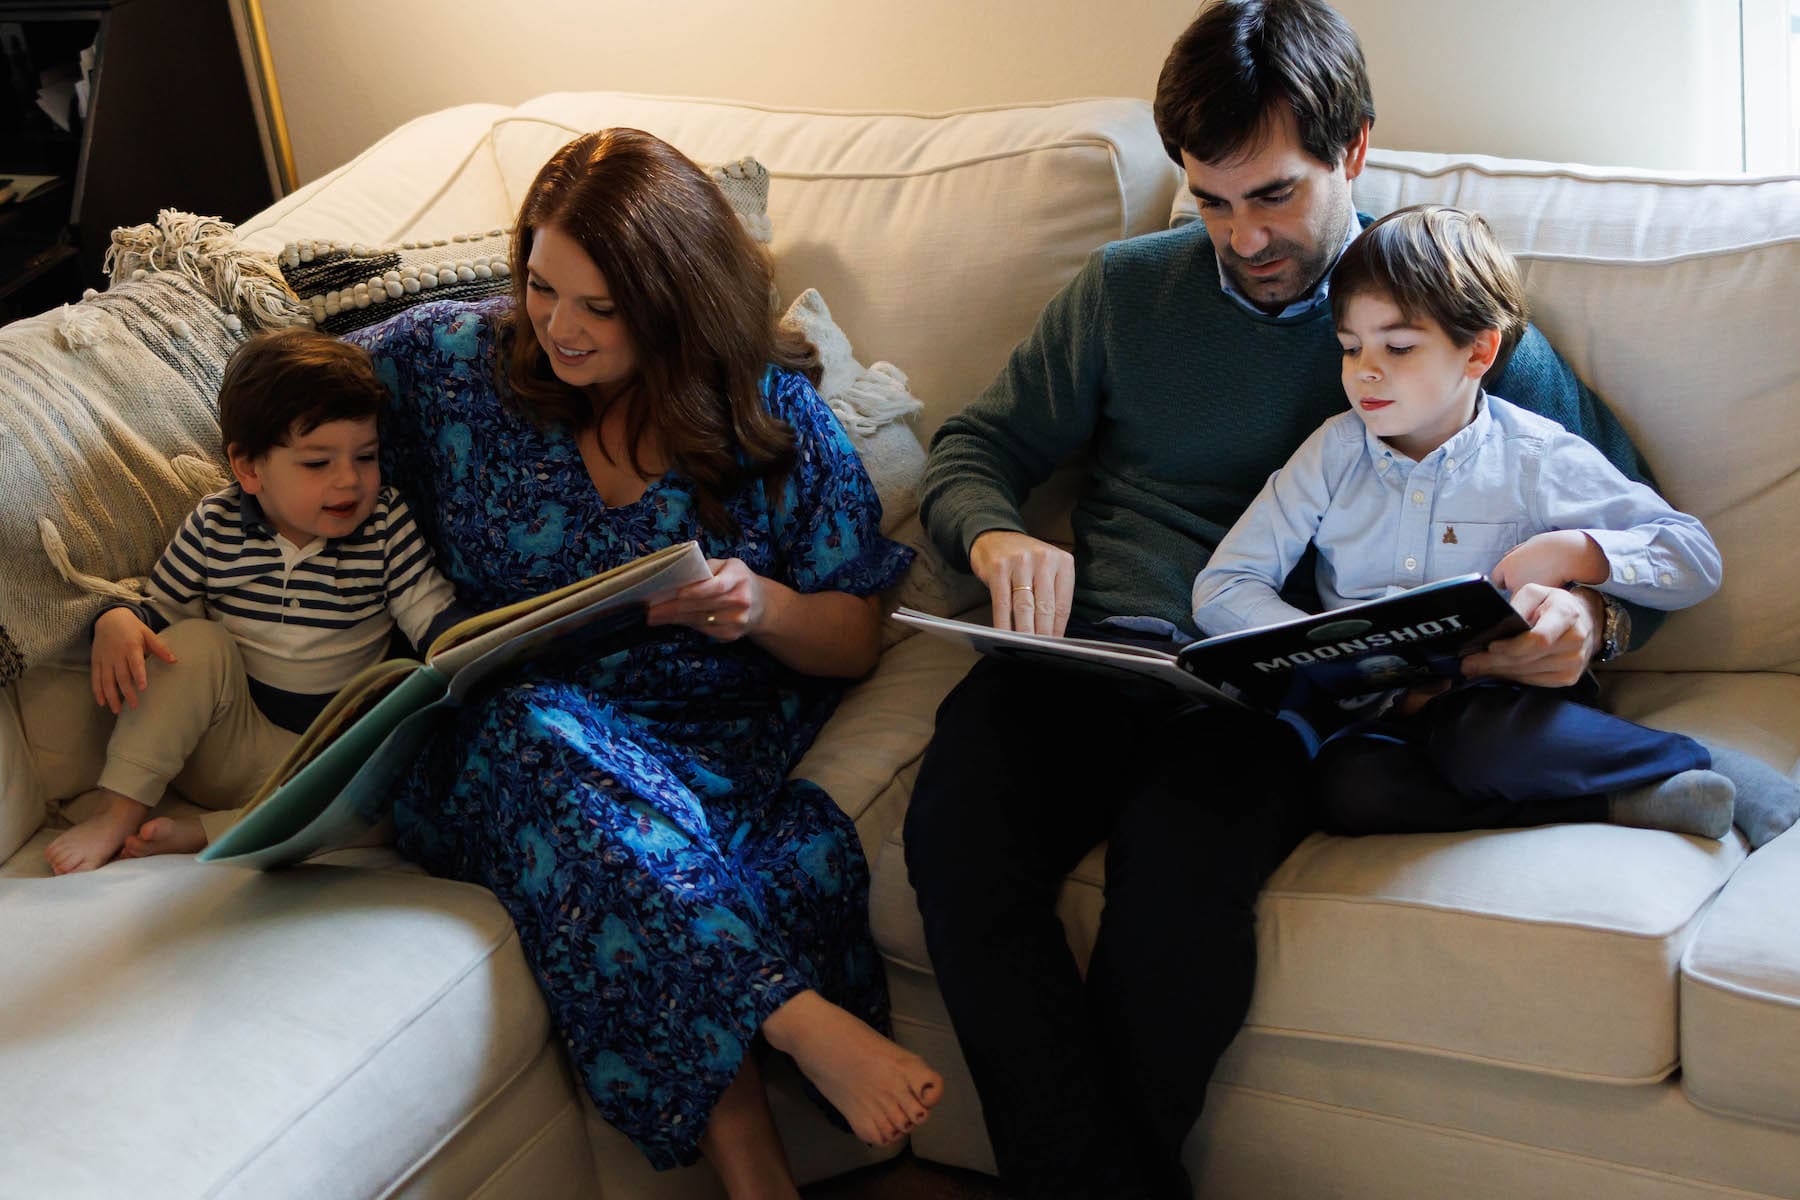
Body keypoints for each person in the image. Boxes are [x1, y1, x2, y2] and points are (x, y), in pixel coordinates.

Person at [906, 2, 1672, 1196]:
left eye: (1273, 195)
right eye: (1210, 200)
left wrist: (1594, 623)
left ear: (1353, 151)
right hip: (1095, 651)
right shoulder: (1123, 294)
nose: (1240, 237)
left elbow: (1640, 527)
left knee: (1176, 880)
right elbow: (974, 448)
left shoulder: (1432, 313)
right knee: (956, 837)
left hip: (1270, 691)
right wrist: (995, 532)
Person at [342, 128, 942, 1194]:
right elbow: (286, 401)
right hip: (503, 756)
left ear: (672, 299)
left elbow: (854, 637)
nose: (559, 330)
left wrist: (759, 607)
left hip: (709, 753)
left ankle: (759, 1179)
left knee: (696, 859)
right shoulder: (452, 367)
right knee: (536, 733)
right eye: (540, 287)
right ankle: (797, 1022)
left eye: (599, 308)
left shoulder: (770, 415)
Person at [1191, 203, 1743, 837]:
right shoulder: (1333, 453)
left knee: (1480, 739)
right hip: (1381, 712)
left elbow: (1693, 555)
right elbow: (1224, 585)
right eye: (1350, 348)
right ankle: (1618, 799)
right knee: (1347, 788)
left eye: (1397, 346)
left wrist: (1576, 552)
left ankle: (1686, 759)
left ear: (1478, 352)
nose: (1365, 370)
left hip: (1506, 701)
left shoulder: (1534, 455)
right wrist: (1319, 646)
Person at [44, 328, 466, 874]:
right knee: (194, 643)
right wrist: (118, 619)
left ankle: (208, 832)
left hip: (329, 758)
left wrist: (480, 650)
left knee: (399, 799)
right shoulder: (214, 525)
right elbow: (161, 616)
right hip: (231, 742)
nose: (350, 481)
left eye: (366, 457)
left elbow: (432, 615)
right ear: (248, 468)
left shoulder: (384, 524)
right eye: (317, 463)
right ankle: (116, 810)